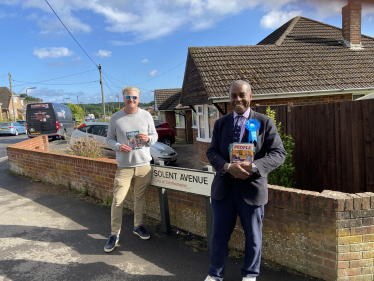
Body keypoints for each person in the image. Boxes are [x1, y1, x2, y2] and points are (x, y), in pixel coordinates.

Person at [205, 80, 286, 281]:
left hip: (252, 190)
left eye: (242, 95)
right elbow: (212, 151)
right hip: (224, 190)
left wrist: (256, 166)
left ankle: (250, 275)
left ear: (250, 96)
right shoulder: (221, 123)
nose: (238, 99)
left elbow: (279, 153)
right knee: (219, 237)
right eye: (233, 96)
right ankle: (215, 274)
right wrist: (226, 166)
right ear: (229, 98)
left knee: (253, 238)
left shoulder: (264, 122)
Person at [104, 86, 158, 253]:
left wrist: (148, 138)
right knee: (118, 200)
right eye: (128, 97)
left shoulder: (146, 115)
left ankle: (138, 226)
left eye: (134, 97)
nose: (131, 100)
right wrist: (119, 146)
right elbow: (109, 140)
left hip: (144, 166)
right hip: (124, 167)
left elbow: (154, 137)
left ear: (138, 99)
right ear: (124, 98)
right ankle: (114, 234)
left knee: (139, 198)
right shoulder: (115, 118)